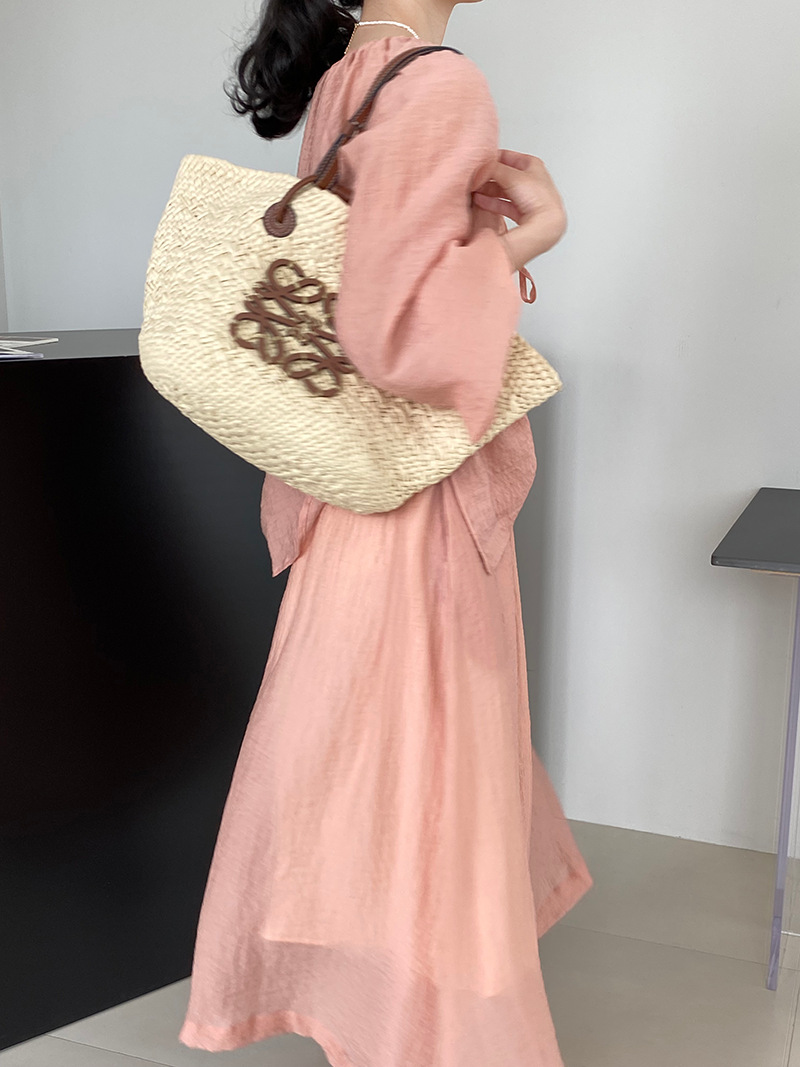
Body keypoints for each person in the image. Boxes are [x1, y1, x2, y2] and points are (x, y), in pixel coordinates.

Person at [178, 2, 593, 1065]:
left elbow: (367, 278)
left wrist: (466, 240)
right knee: (430, 760)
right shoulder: (438, 80)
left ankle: (394, 1016)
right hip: (413, 498)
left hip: (355, 486)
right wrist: (530, 237)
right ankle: (441, 1034)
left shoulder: (352, 72)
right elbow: (390, 334)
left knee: (373, 758)